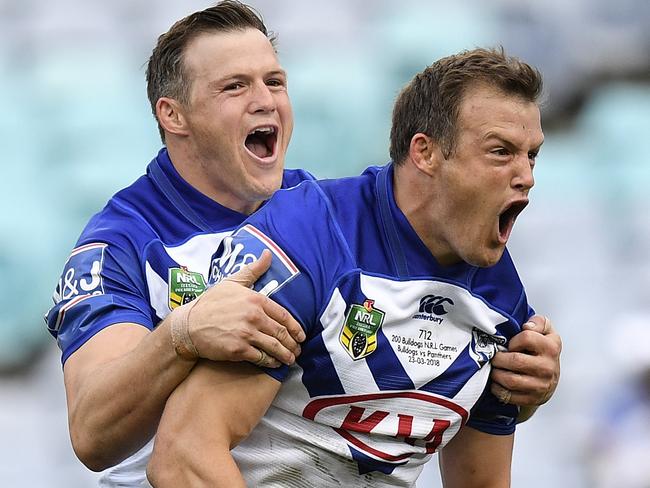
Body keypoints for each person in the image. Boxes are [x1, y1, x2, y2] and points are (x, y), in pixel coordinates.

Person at [44, 2, 559, 486]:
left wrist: (503, 380)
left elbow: (380, 354)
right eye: (234, 87)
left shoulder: (318, 217)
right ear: (174, 115)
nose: (265, 100)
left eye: (275, 82)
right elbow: (93, 435)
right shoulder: (123, 242)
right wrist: (182, 334)